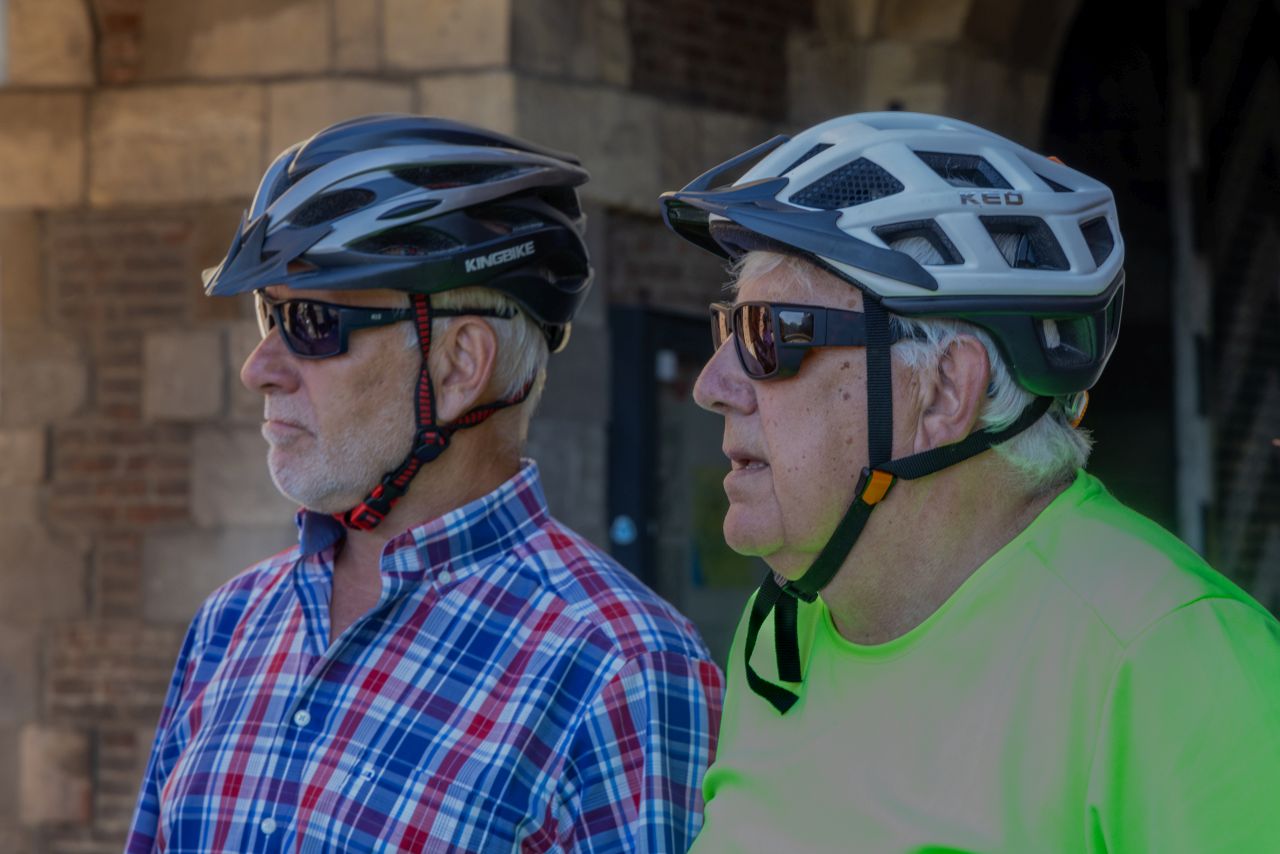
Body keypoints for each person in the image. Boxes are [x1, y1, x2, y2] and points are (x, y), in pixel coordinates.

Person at [659, 112, 1280, 852]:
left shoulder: (1176, 661)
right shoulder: (781, 633)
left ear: (945, 391)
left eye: (769, 333)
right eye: (728, 329)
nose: (712, 385)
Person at [126, 115, 723, 853]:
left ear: (459, 365)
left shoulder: (622, 668)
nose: (260, 368)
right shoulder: (230, 622)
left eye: (310, 321)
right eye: (266, 314)